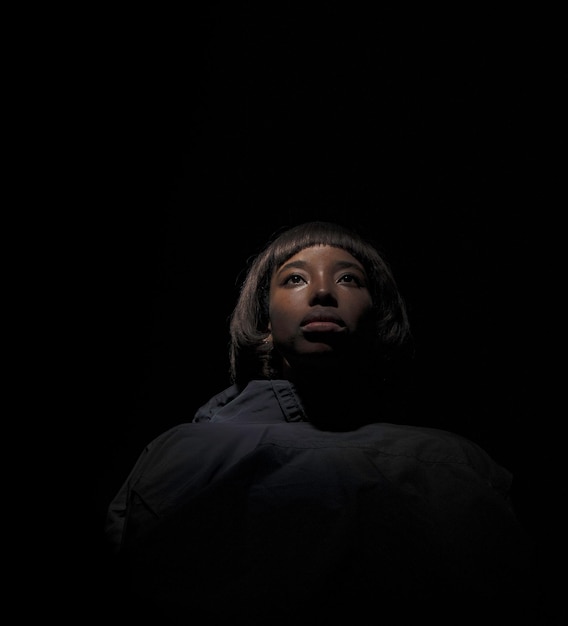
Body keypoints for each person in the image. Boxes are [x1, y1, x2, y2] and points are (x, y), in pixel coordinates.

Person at [104, 220, 541, 623]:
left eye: (349, 278)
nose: (322, 293)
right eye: (294, 278)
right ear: (265, 321)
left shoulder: (457, 464)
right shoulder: (181, 456)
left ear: (378, 313)